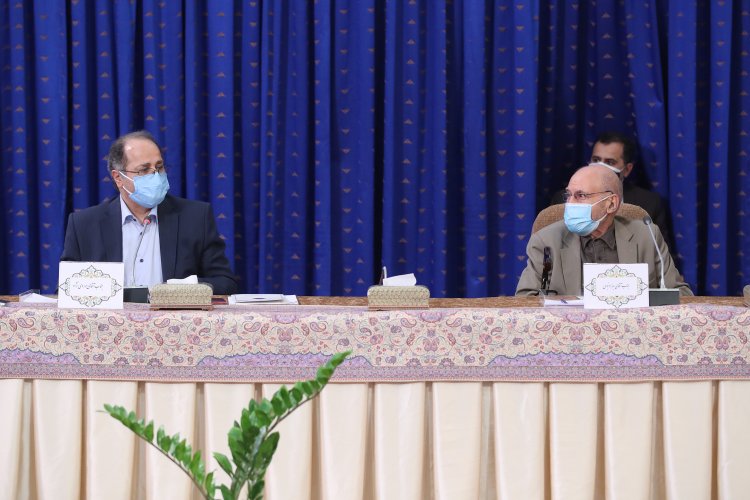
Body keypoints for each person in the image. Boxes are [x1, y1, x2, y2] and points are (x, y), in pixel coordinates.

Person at [61, 130, 238, 295]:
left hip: (174, 317)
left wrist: (181, 289)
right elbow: (66, 290)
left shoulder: (196, 217)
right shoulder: (84, 225)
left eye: (159, 167)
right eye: (144, 170)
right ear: (118, 178)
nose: (156, 176)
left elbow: (225, 283)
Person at [517, 164, 691, 296]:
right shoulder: (546, 241)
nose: (569, 203)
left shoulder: (646, 235)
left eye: (581, 195)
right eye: (568, 195)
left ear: (611, 203)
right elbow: (526, 299)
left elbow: (680, 294)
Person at [550, 131, 671, 245]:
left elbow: (659, 252)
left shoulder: (650, 203)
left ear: (627, 169)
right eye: (596, 160)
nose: (600, 166)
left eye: (610, 162)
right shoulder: (563, 199)